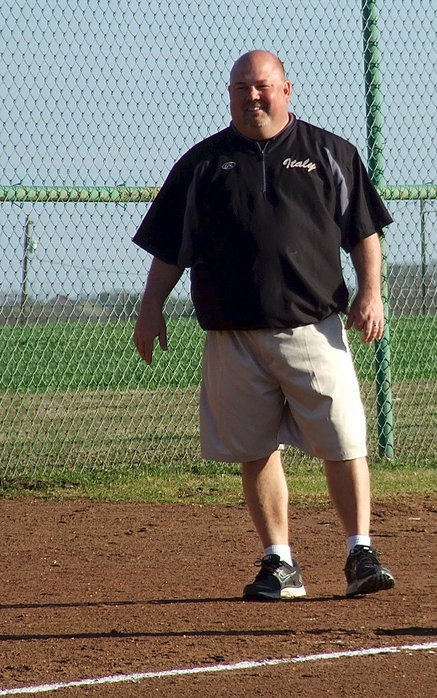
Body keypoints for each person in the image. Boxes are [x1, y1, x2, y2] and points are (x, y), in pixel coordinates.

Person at [132, 49, 395, 601]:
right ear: (230, 95)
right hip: (232, 334)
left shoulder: (330, 153)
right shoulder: (203, 163)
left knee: (344, 440)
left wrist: (370, 293)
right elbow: (170, 247)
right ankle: (280, 562)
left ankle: (360, 552)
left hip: (312, 327)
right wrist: (151, 306)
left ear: (286, 90)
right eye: (241, 88)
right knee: (255, 448)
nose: (252, 96)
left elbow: (364, 232)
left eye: (262, 86)